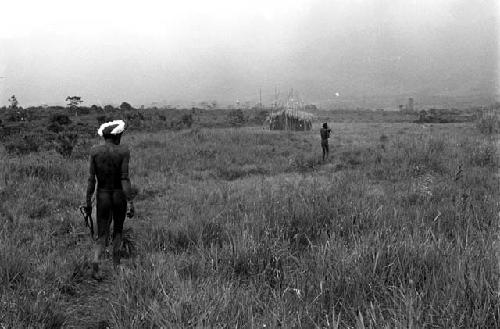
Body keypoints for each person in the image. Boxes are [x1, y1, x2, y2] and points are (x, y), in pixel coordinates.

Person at [84, 119, 134, 278]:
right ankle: (117, 266)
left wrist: (87, 201)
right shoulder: (124, 151)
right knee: (118, 231)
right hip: (119, 195)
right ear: (117, 136)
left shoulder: (94, 151)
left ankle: (96, 262)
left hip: (102, 194)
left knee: (102, 232)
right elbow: (124, 179)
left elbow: (91, 180)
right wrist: (131, 202)